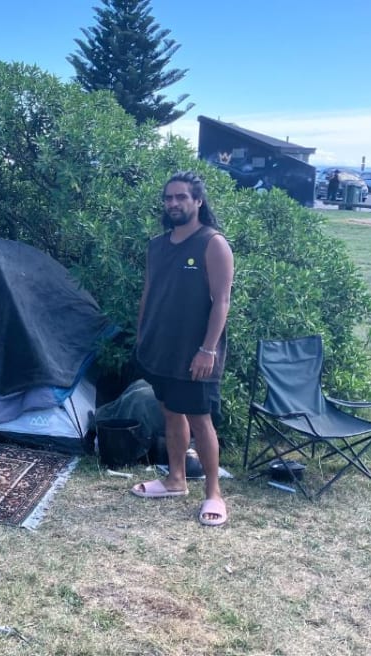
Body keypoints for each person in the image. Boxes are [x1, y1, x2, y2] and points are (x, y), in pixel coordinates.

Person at [131, 171, 234, 527]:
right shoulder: (157, 245)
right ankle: (175, 480)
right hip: (161, 347)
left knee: (200, 420)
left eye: (181, 197)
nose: (173, 203)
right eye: (168, 198)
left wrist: (208, 350)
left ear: (198, 201)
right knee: (171, 413)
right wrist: (142, 334)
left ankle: (214, 493)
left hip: (196, 353)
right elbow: (149, 293)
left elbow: (221, 301)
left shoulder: (212, 242)